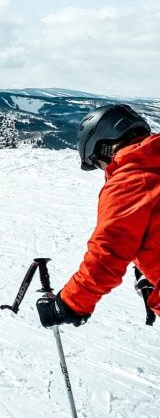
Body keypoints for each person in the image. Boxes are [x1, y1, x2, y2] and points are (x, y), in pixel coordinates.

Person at [37, 104, 160, 327]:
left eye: (96, 162)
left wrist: (67, 304)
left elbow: (107, 256)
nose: (103, 170)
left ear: (104, 147)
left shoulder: (130, 179)